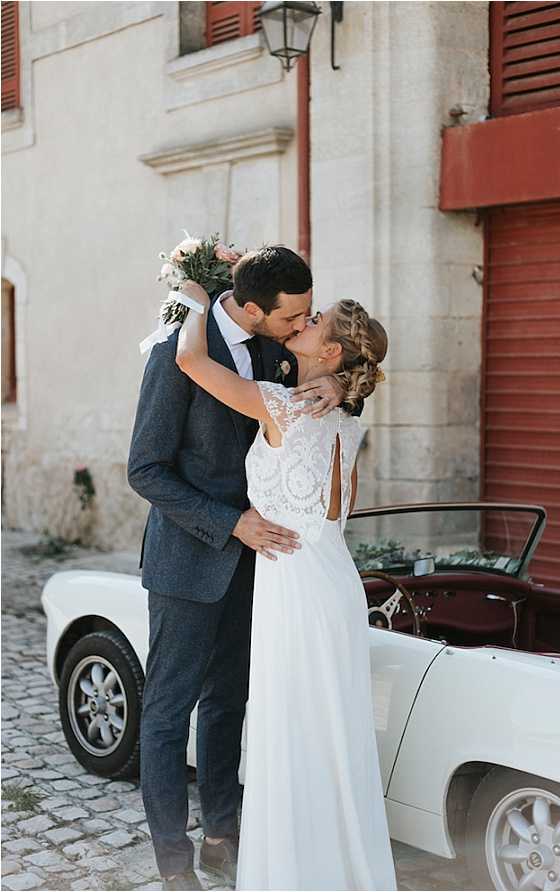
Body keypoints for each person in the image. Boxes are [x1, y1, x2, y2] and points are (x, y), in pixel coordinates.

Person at [127, 246, 348, 891]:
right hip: (187, 563)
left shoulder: (285, 350)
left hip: (263, 570)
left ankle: (225, 835)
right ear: (253, 309)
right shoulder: (177, 351)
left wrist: (339, 386)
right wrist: (229, 524)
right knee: (168, 715)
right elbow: (144, 470)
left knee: (229, 705)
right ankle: (174, 864)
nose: (302, 327)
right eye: (293, 316)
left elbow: (339, 386)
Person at [175, 279, 397, 891]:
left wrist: (195, 297)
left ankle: (296, 874)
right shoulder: (345, 415)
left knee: (294, 730)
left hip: (295, 588)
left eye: (316, 320)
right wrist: (334, 383)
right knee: (329, 733)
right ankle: (339, 869)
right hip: (332, 583)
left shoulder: (285, 404)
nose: (306, 318)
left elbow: (189, 360)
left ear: (330, 355)